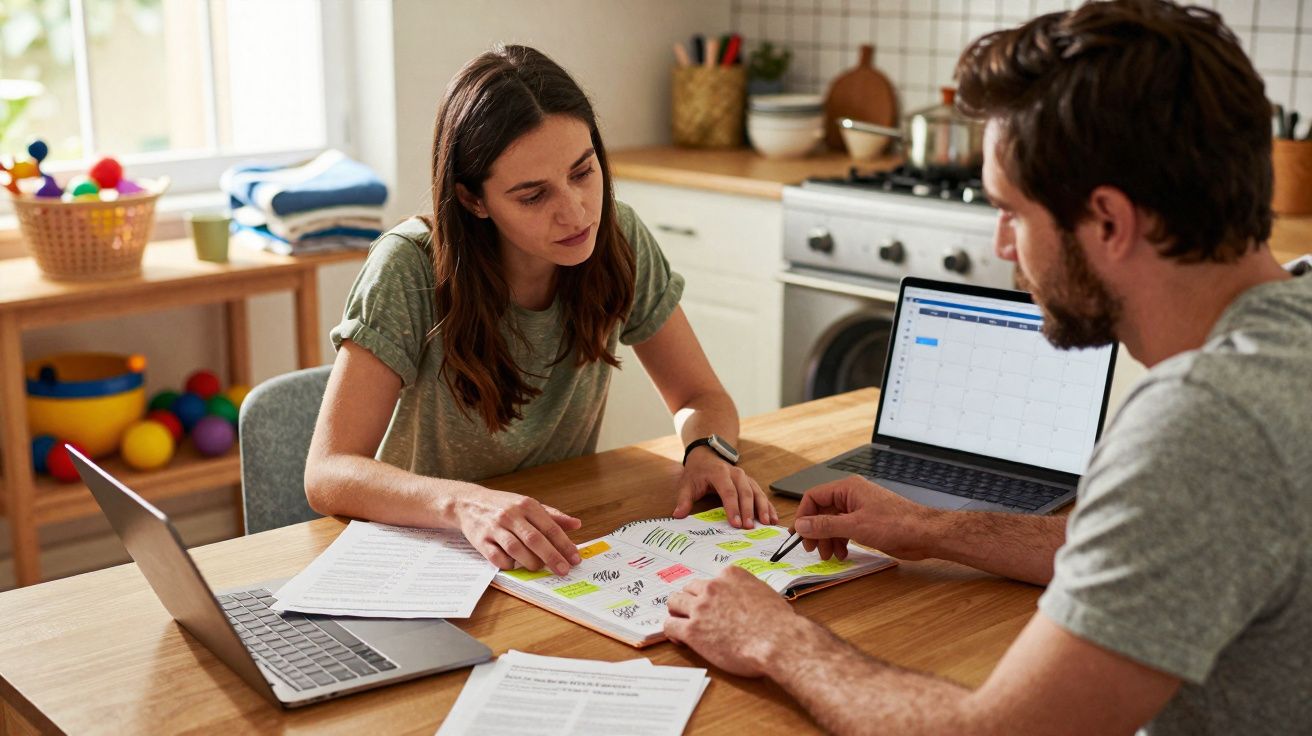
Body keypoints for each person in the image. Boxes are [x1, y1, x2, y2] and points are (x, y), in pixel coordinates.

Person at [662, 1, 1311, 733]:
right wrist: (933, 528)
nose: (1004, 247)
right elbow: (1161, 547)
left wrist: (775, 637)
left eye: (1012, 211)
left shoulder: (1204, 427)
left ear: (1108, 221)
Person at [305, 45, 777, 579]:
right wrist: (464, 504)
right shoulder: (409, 267)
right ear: (473, 200)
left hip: (558, 543)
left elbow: (699, 396)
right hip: (430, 553)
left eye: (583, 171)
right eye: (533, 196)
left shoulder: (618, 239)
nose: (575, 212)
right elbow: (328, 473)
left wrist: (707, 451)